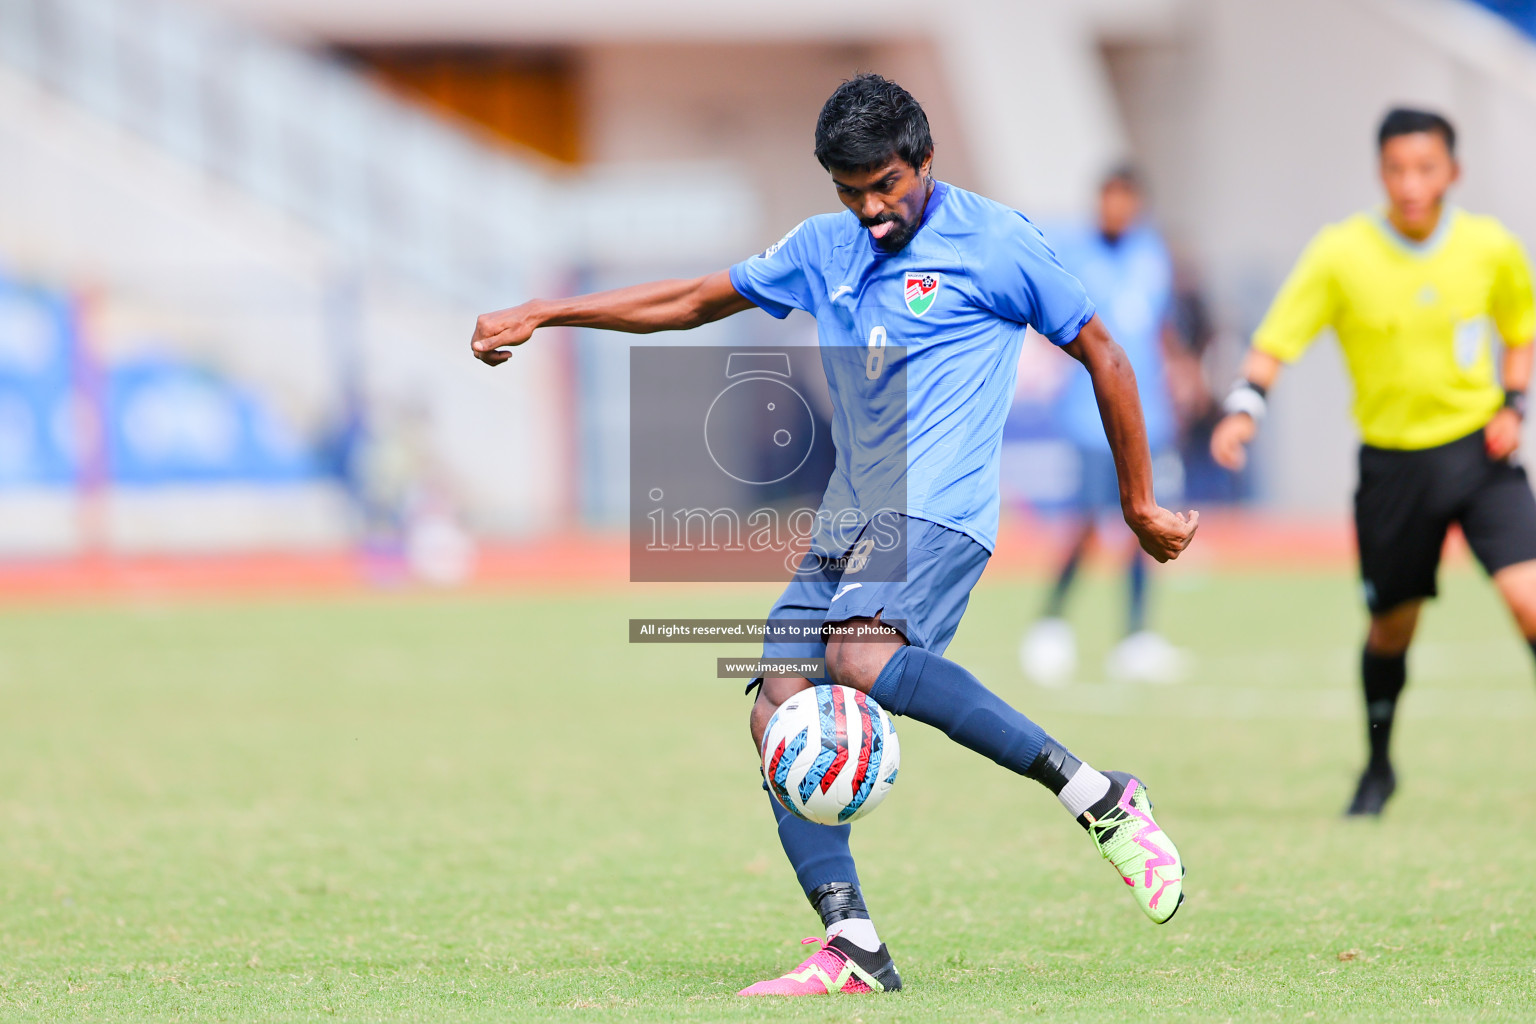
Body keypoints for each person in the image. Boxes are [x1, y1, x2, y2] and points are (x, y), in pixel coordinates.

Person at [471, 74, 1198, 996]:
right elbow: (697, 299)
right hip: (849, 518)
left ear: (926, 160)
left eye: (887, 185)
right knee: (774, 708)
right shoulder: (825, 246)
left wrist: (1137, 503)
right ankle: (852, 941)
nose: (871, 208)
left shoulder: (998, 241)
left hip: (938, 511)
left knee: (857, 656)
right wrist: (545, 312)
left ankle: (1098, 795)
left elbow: (1104, 349)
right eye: (850, 191)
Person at [1211, 108, 1536, 817]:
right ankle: (1379, 767)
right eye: (1397, 169)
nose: (1412, 184)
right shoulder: (1341, 253)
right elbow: (1276, 343)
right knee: (1393, 628)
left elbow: (1521, 331)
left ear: (1454, 172)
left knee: (1529, 602)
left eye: (1426, 168)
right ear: (1380, 172)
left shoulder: (1490, 247)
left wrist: (1515, 403)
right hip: (1394, 470)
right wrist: (1244, 408)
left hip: (1480, 455)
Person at [1020, 166, 1197, 686]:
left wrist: (1180, 368)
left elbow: (1158, 324)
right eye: (1107, 199)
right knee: (1088, 523)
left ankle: (1137, 637)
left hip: (1150, 416)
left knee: (1151, 521)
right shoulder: (1072, 251)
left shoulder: (1152, 254)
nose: (1114, 209)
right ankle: (1050, 624)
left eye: (1124, 199)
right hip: (1091, 414)